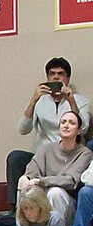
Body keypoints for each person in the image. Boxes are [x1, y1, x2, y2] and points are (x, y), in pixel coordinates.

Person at [9, 57, 91, 198]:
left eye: (60, 74)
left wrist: (71, 101)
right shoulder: (40, 101)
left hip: (68, 158)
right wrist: (33, 101)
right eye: (52, 74)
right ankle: (16, 208)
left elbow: (82, 129)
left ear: (68, 78)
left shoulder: (79, 100)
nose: (56, 77)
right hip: (43, 155)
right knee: (15, 157)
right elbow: (23, 129)